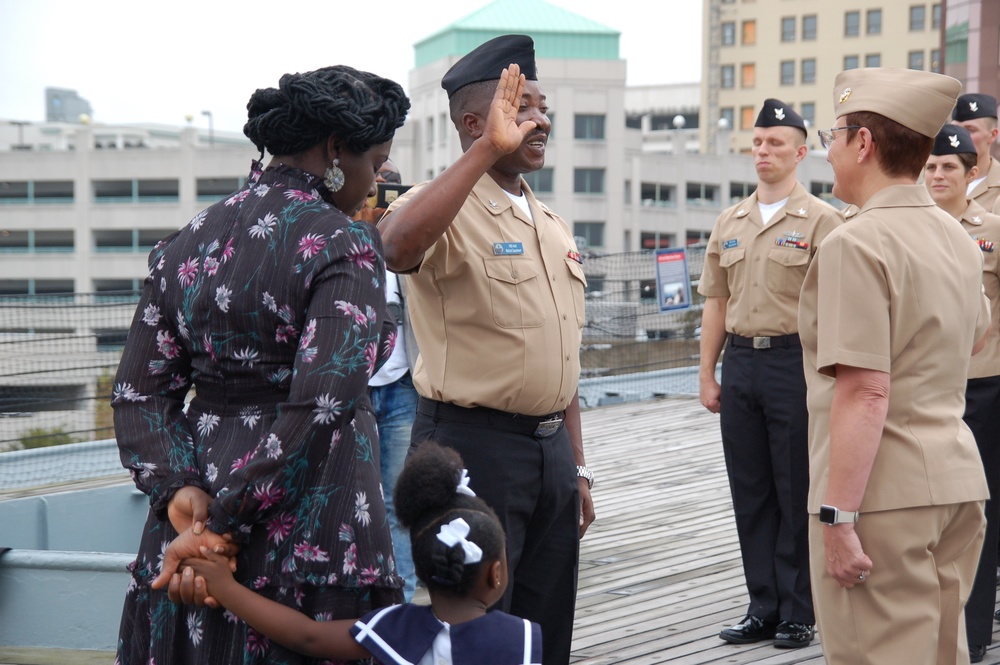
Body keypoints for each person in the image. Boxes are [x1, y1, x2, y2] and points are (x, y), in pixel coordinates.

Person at [111, 65, 411, 664]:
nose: (376, 182)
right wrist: (225, 523)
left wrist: (185, 502)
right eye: (375, 162)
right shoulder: (344, 245)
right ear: (333, 150)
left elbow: (138, 395)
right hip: (311, 521)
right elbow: (322, 406)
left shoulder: (185, 242)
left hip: (193, 521)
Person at [377, 35, 595, 665]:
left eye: (542, 105)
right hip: (474, 448)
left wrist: (575, 464)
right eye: (523, 107)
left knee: (544, 628)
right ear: (477, 123)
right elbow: (394, 245)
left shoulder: (548, 222)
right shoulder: (440, 205)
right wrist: (482, 155)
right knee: (474, 632)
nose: (542, 119)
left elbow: (563, 354)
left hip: (550, 452)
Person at [800, 67, 990, 664]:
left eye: (834, 135)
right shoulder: (956, 236)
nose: (826, 151)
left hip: (879, 497)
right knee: (942, 653)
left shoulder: (856, 243)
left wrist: (838, 516)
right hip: (955, 480)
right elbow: (974, 338)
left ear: (863, 143)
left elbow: (865, 391)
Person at [179, 442, 542, 665]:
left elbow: (307, 636)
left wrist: (226, 588)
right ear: (496, 573)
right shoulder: (520, 639)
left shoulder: (396, 628)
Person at [698, 99, 841, 649]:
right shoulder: (728, 221)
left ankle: (798, 610)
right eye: (757, 143)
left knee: (793, 488)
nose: (764, 151)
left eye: (776, 143)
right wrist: (708, 374)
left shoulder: (823, 221)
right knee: (750, 489)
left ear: (801, 152)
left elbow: (833, 307)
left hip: (793, 365)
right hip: (742, 365)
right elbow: (716, 301)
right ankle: (762, 604)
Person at [924, 123, 1000, 663]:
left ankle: (972, 632)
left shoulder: (992, 229)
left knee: (982, 509)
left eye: (948, 166)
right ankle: (927, 628)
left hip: (985, 387)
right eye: (929, 166)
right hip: (926, 392)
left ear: (971, 173)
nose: (937, 174)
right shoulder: (909, 229)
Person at [355, 157, 420, 602]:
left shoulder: (412, 239)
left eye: (391, 182)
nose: (382, 188)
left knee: (398, 500)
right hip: (353, 392)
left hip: (401, 388)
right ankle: (364, 597)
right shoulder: (341, 235)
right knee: (357, 500)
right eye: (375, 179)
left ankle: (402, 599)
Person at [953, 93, 1000, 210]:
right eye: (956, 130)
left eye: (970, 130)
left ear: (992, 135)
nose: (960, 137)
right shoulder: (934, 182)